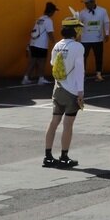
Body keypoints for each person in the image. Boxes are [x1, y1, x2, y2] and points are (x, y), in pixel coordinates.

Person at [43, 13, 85, 168]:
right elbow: (80, 71)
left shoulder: (57, 45)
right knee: (68, 124)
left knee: (54, 121)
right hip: (72, 90)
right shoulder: (78, 47)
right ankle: (64, 156)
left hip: (58, 88)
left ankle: (47, 156)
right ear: (75, 31)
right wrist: (80, 92)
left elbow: (54, 64)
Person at [77, 0, 110, 81]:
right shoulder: (82, 12)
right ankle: (82, 74)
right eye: (85, 3)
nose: (85, 5)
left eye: (87, 3)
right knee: (83, 57)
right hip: (85, 40)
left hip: (98, 39)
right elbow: (79, 25)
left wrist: (107, 33)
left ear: (93, 2)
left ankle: (98, 74)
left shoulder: (102, 11)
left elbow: (106, 22)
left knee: (99, 56)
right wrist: (78, 35)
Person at [22, 2, 57, 85]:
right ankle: (41, 79)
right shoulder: (48, 20)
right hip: (41, 45)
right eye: (54, 11)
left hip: (33, 43)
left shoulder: (39, 19)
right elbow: (50, 33)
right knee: (42, 61)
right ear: (51, 11)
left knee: (33, 61)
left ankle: (26, 78)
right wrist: (55, 43)